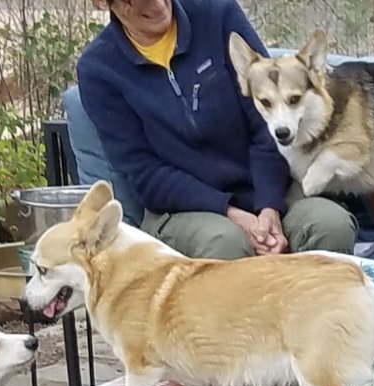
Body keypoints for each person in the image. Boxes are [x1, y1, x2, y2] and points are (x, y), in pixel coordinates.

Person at [76, 0, 357, 259]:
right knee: (226, 243)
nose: (158, 3)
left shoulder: (218, 14)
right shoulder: (99, 69)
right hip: (184, 208)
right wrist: (230, 211)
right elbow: (144, 172)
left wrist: (268, 206)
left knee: (331, 225)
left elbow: (266, 122)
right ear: (103, 2)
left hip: (267, 188)